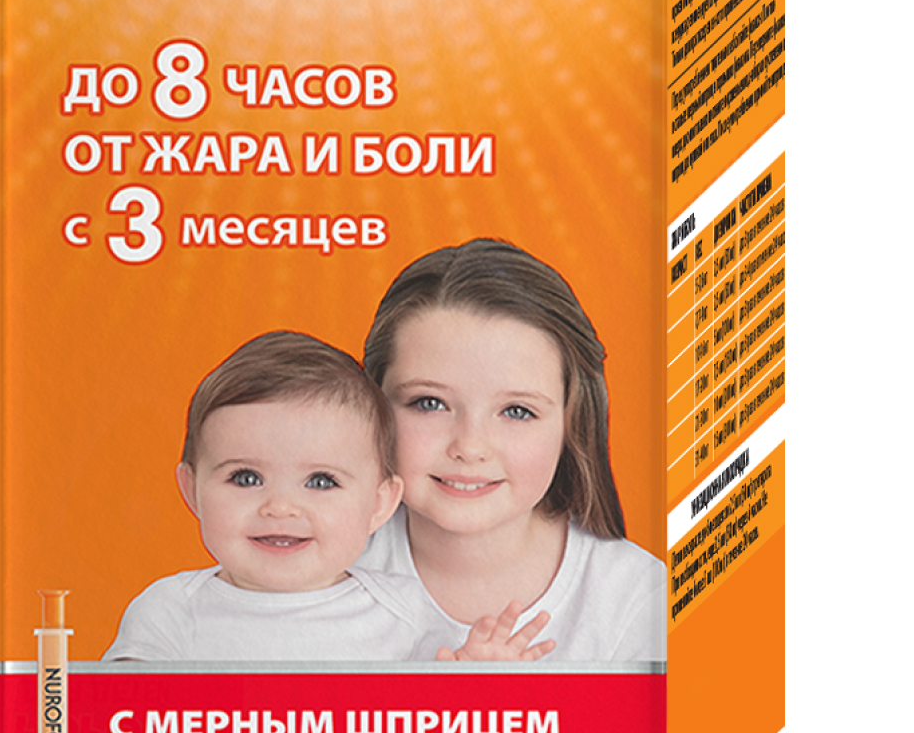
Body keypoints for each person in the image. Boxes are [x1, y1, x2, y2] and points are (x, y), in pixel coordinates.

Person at [104, 330, 554, 661]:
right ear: (191, 490)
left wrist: (474, 678)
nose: (280, 507)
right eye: (245, 478)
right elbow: (113, 717)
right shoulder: (171, 609)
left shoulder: (406, 611)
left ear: (379, 503)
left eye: (321, 482)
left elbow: (440, 726)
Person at [359, 240, 667, 663]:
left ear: (572, 422)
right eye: (429, 403)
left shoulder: (636, 599)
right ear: (370, 406)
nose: (469, 447)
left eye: (517, 411)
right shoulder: (314, 567)